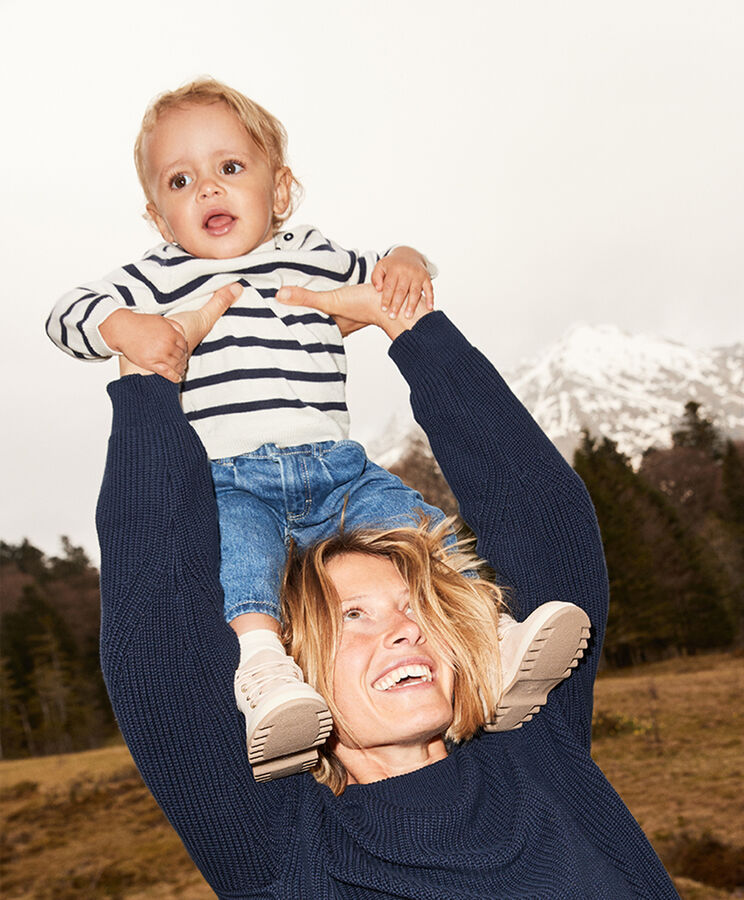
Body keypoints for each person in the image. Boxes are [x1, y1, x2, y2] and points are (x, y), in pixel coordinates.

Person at [46, 78, 586, 780]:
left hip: (335, 468)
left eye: (230, 168)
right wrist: (123, 327)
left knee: (419, 531)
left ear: (279, 191)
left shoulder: (309, 252)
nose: (207, 189)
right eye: (181, 180)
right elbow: (68, 311)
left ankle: (496, 639)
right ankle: (268, 676)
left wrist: (408, 262)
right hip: (229, 478)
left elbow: (391, 271)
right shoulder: (155, 279)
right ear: (157, 217)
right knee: (242, 565)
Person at [97, 282, 678, 898]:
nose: (407, 629)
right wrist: (148, 391)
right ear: (294, 671)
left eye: (415, 607)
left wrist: (413, 328)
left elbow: (544, 521)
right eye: (353, 616)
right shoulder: (280, 847)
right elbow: (154, 645)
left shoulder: (536, 740)